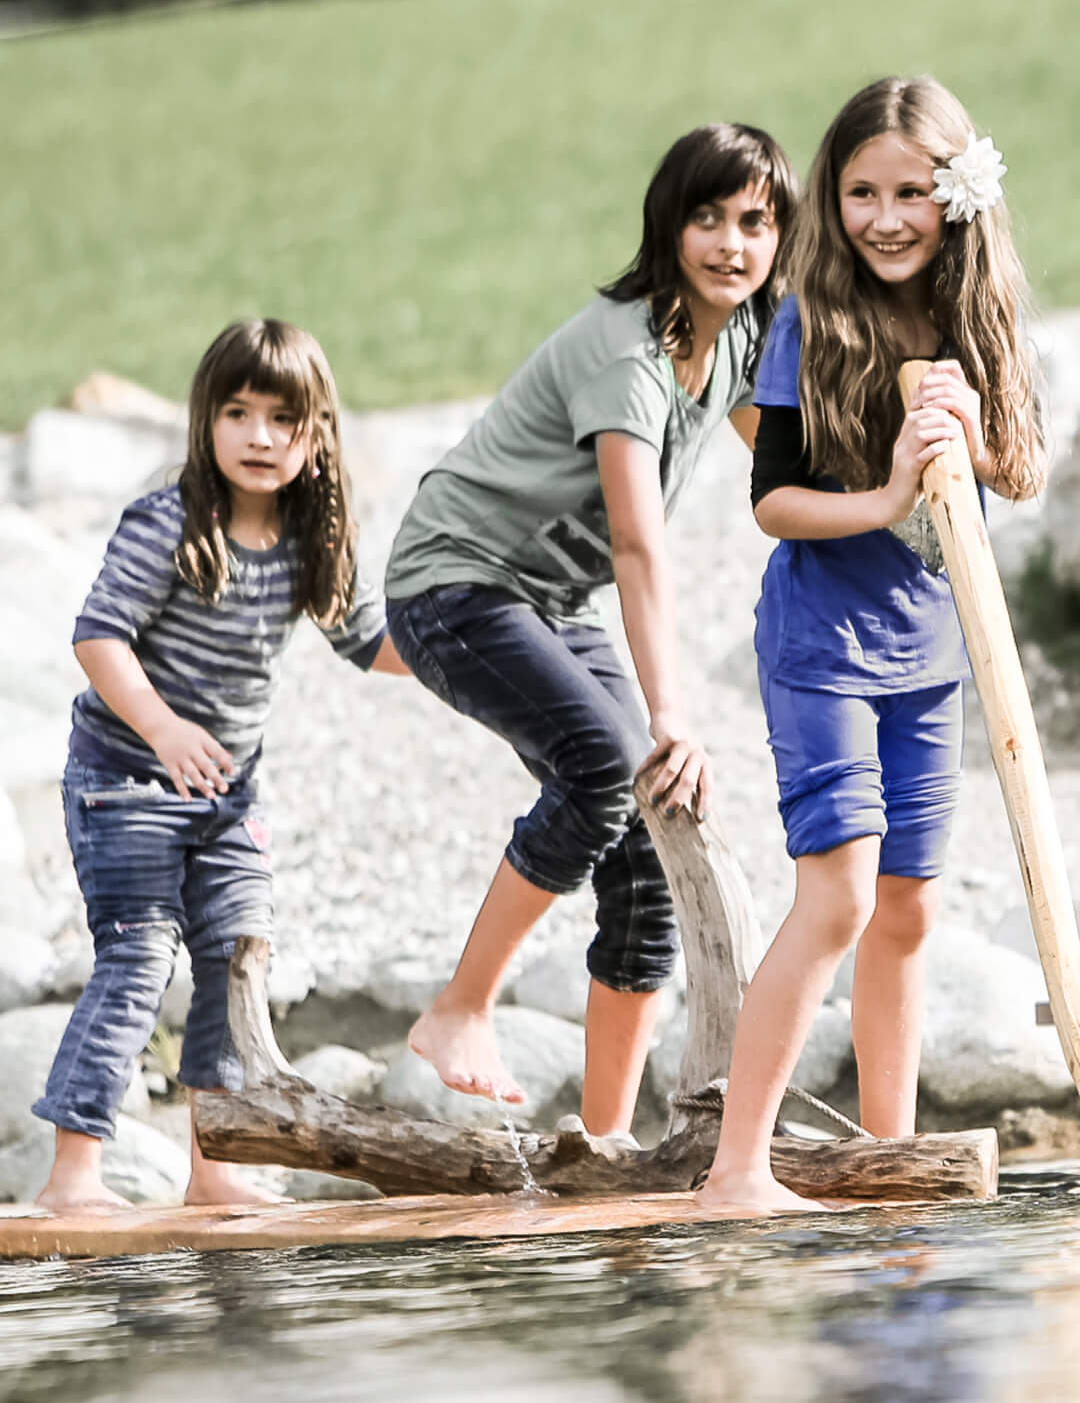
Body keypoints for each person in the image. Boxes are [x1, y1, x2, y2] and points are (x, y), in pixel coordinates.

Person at [384, 123, 795, 1137]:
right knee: (610, 766)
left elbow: (782, 465)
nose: (731, 244)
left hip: (545, 603)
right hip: (454, 584)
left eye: (755, 222)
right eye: (707, 218)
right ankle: (461, 1008)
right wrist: (672, 716)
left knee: (651, 847)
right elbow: (637, 544)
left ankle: (603, 1147)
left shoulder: (739, 335)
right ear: (667, 225)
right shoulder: (629, 352)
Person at [705, 76, 1047, 1216]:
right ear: (832, 198)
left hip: (936, 648)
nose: (887, 218)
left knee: (909, 906)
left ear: (955, 197)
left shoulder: (974, 312)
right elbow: (772, 502)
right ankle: (736, 1170)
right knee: (841, 897)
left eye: (911, 192)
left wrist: (976, 437)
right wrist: (892, 485)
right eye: (861, 193)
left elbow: (1024, 470)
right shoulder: (807, 318)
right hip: (822, 644)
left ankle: (889, 1159)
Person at [33, 319, 408, 1213]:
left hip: (229, 798)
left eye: (284, 419)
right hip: (124, 780)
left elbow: (370, 641)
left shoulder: (316, 536)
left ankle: (215, 1168)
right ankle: (70, 1175)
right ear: (206, 421)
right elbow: (98, 635)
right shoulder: (169, 523)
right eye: (237, 413)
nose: (259, 436)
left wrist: (470, 649)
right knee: (138, 958)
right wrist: (162, 729)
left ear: (318, 437)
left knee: (239, 956)